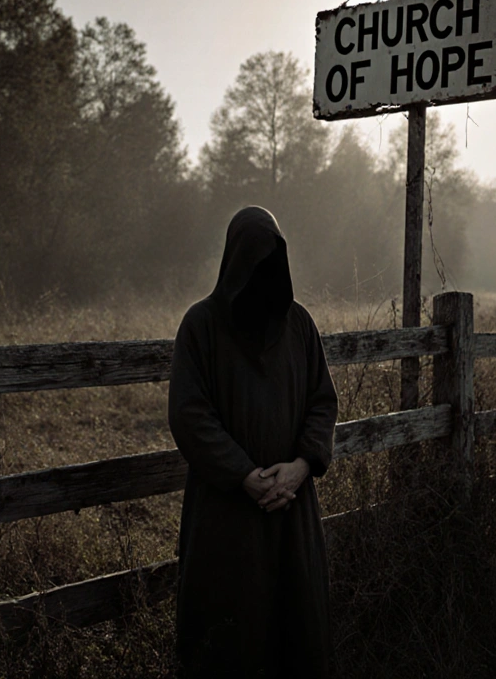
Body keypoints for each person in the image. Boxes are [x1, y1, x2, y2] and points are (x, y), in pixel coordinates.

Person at [168, 206, 339, 678]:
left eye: (272, 260)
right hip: (226, 514)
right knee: (229, 635)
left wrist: (302, 466)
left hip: (293, 508)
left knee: (296, 629)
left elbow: (322, 402)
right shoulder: (201, 326)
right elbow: (189, 413)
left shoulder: (300, 326)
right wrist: (244, 475)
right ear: (233, 261)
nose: (263, 271)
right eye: (253, 261)